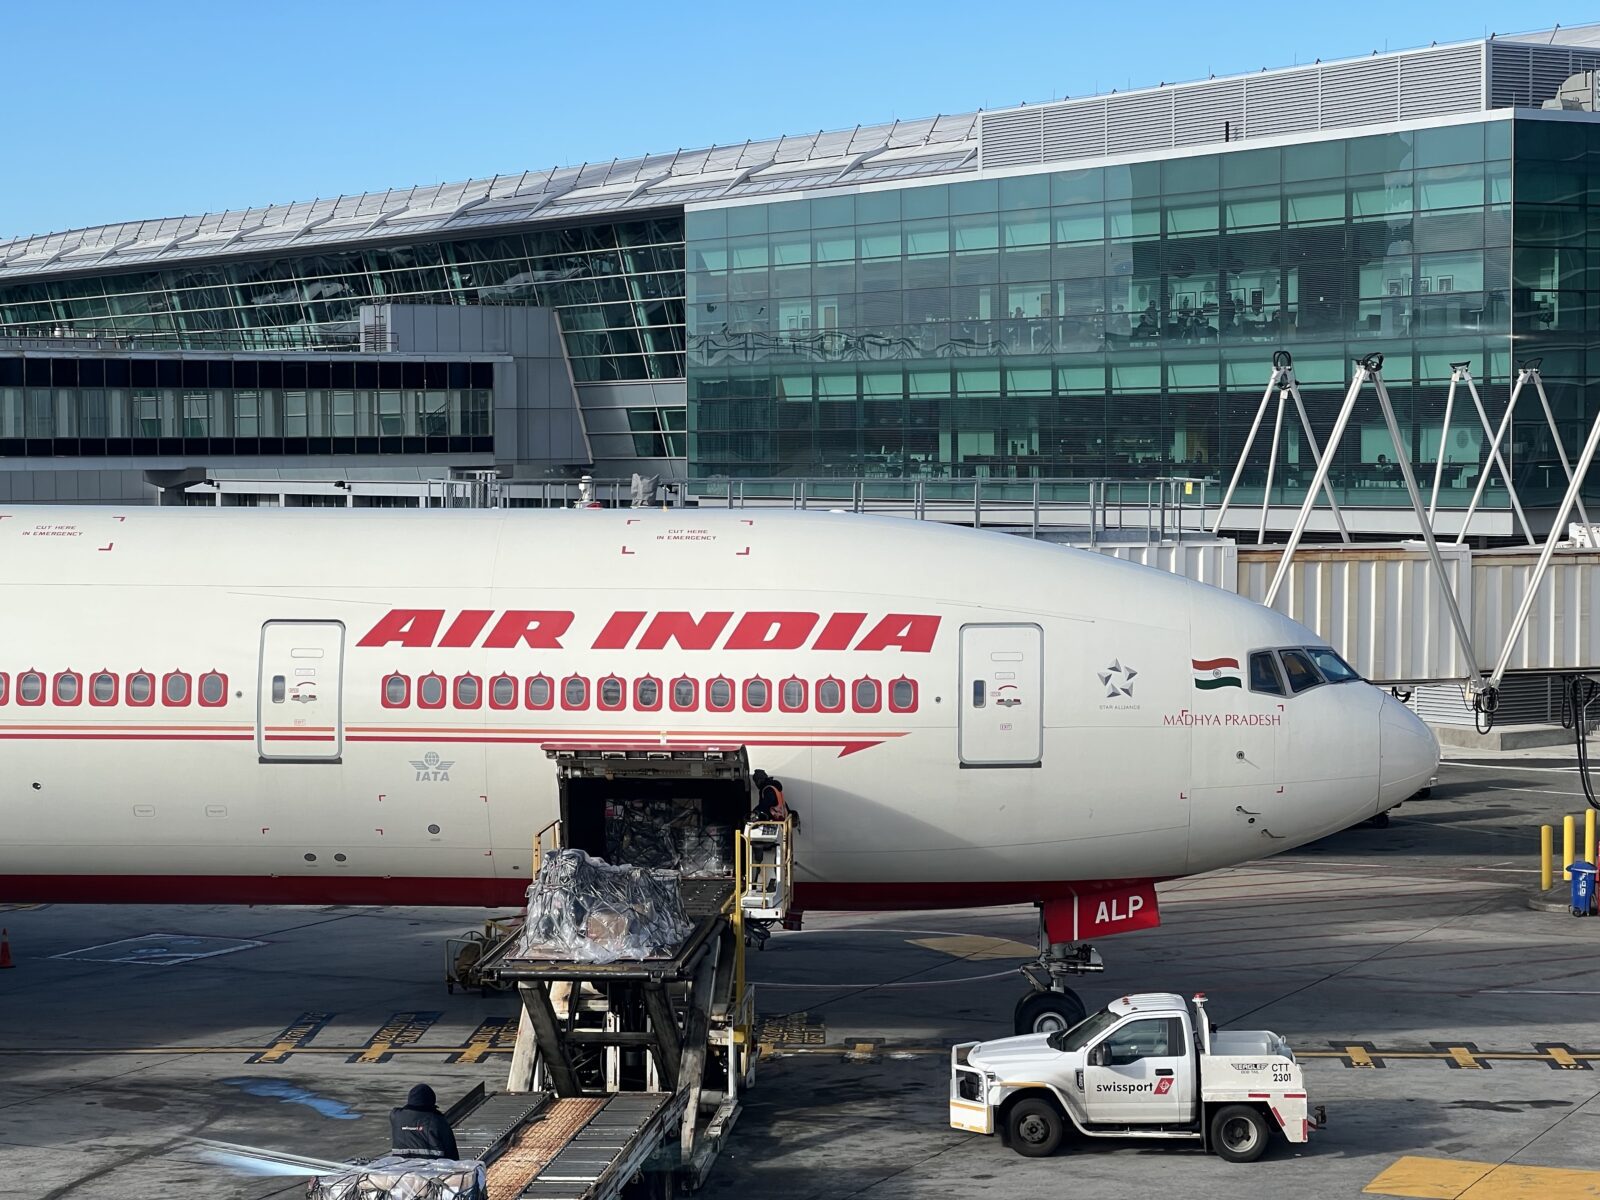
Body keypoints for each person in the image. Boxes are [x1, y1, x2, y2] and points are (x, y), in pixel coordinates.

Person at [390, 1084, 459, 1160]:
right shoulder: (438, 1120)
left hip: (401, 1163)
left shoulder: (396, 1116)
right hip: (432, 1164)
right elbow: (450, 1148)